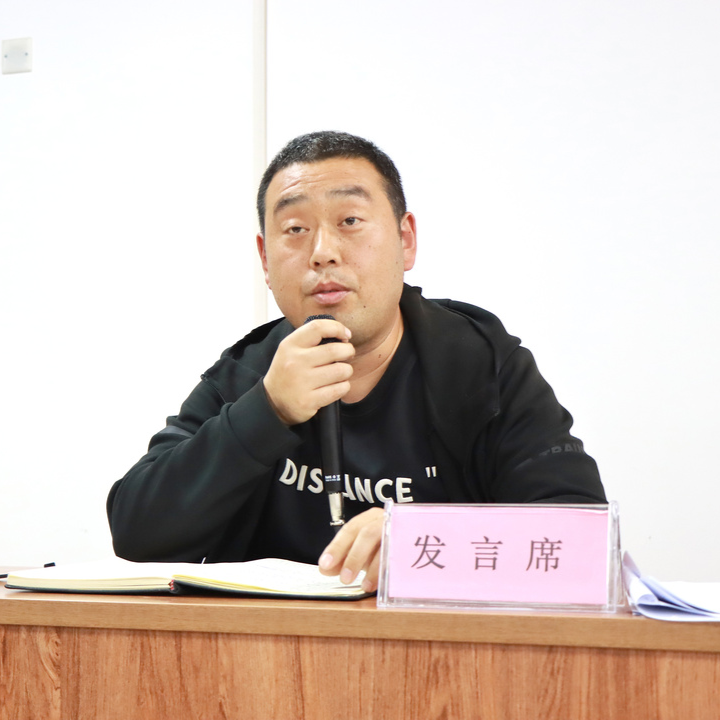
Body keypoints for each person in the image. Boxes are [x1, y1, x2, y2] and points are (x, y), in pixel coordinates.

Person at [107, 130, 606, 593]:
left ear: (405, 240)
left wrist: (423, 539)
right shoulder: (250, 373)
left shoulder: (479, 364)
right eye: (295, 229)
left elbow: (580, 535)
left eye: (349, 221)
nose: (323, 252)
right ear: (265, 260)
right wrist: (268, 411)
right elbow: (137, 534)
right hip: (269, 650)